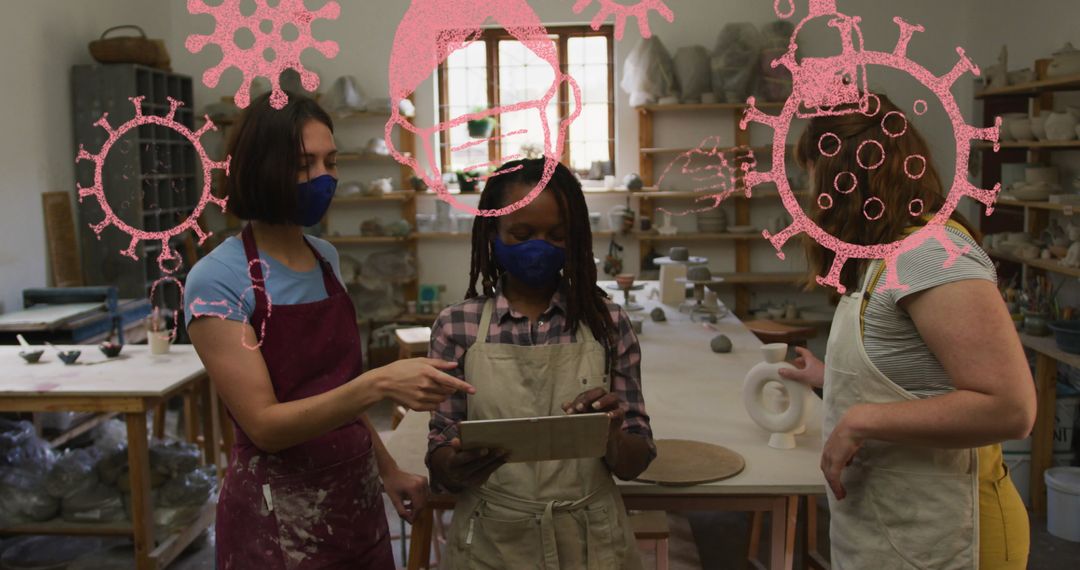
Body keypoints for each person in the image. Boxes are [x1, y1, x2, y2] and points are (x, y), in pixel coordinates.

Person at [184, 92, 474, 568]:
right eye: (304, 164)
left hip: (353, 501)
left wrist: (387, 470)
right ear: (261, 169)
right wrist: (379, 382)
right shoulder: (219, 278)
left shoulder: (326, 258)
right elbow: (265, 426)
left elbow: (335, 392)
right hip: (276, 518)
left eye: (331, 161)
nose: (324, 177)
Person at [778, 93, 1036, 569]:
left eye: (811, 170)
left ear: (842, 177)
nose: (807, 191)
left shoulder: (930, 252)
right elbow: (913, 376)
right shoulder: (885, 255)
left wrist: (860, 420)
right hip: (896, 526)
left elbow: (1010, 408)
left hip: (953, 534)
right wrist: (828, 377)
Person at [426, 158, 655, 569]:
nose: (539, 247)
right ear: (492, 234)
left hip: (592, 542)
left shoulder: (607, 323)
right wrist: (455, 465)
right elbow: (440, 455)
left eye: (557, 235)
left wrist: (613, 438)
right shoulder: (456, 326)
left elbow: (637, 459)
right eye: (522, 234)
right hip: (492, 543)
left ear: (576, 240)